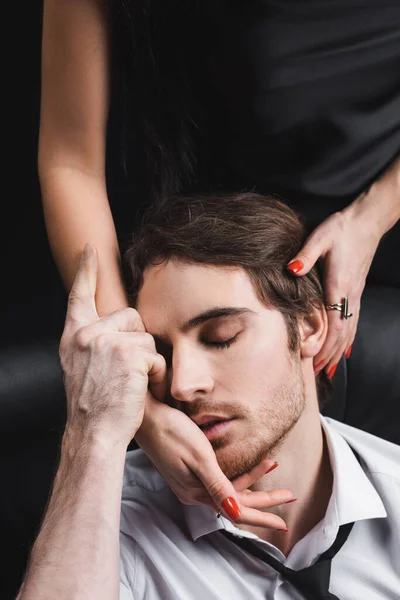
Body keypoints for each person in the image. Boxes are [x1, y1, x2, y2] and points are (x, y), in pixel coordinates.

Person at [39, 0, 400, 545]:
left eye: (222, 339)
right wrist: (135, 391)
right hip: (209, 253)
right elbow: (70, 161)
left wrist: (372, 217)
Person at [18, 194, 400, 600]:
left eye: (220, 338)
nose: (182, 385)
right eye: (161, 354)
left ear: (308, 326)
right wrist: (92, 428)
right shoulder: (108, 522)